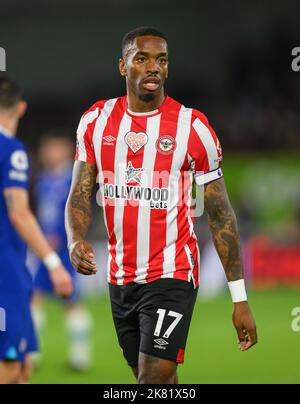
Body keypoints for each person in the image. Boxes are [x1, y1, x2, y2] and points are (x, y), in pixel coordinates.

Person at [65, 27, 257, 384]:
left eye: (161, 60)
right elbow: (79, 192)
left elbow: (220, 214)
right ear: (123, 66)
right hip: (120, 277)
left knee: (152, 379)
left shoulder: (193, 128)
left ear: (167, 69)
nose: (153, 67)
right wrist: (75, 238)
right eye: (142, 59)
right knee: (154, 380)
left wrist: (239, 297)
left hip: (172, 273)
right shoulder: (95, 121)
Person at [0, 77, 73, 384]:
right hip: (6, 273)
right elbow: (18, 212)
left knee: (23, 368)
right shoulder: (12, 150)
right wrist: (53, 262)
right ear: (21, 108)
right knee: (12, 366)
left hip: (14, 273)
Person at [31, 133, 92, 371]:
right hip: (46, 249)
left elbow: (79, 210)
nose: (48, 153)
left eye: (54, 148)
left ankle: (80, 358)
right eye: (47, 149)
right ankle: (33, 355)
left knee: (70, 300)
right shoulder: (45, 179)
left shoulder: (72, 178)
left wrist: (65, 235)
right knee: (35, 297)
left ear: (66, 150)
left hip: (65, 250)